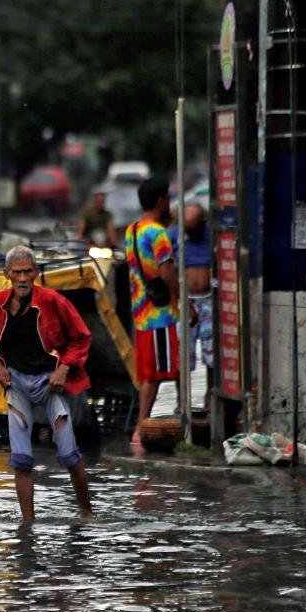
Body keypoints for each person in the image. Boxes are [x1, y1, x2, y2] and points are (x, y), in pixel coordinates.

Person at [0, 245, 95, 524]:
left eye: (28, 272)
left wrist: (65, 367)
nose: (22, 278)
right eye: (17, 272)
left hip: (50, 381)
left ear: (37, 273)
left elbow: (81, 337)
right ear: (7, 274)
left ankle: (87, 512)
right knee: (21, 460)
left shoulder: (53, 301)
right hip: (17, 382)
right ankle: (28, 525)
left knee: (69, 454)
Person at [124, 176, 182, 444]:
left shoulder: (132, 229)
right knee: (165, 371)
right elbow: (167, 272)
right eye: (168, 198)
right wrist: (181, 301)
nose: (170, 202)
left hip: (140, 312)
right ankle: (142, 428)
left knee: (151, 373)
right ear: (161, 200)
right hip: (160, 313)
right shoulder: (159, 234)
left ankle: (142, 428)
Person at [168, 201, 214, 376]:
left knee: (212, 352)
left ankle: (210, 394)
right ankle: (182, 398)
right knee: (182, 353)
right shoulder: (176, 236)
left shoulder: (211, 234)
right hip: (186, 300)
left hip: (209, 298)